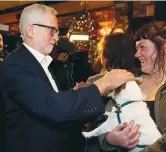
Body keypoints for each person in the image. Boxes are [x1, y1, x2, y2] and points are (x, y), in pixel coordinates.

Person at [0, 4, 136, 152]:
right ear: (31, 30)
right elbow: (52, 106)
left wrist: (74, 94)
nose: (56, 37)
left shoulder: (39, 62)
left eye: (56, 31)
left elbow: (46, 102)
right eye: (52, 30)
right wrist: (103, 85)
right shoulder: (17, 64)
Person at [99, 21, 166, 152]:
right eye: (136, 48)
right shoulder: (128, 81)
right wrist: (108, 139)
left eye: (142, 47)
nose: (136, 54)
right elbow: (102, 119)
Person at [84, 33, 140, 152]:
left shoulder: (96, 81)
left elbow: (85, 116)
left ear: (106, 55)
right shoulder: (139, 80)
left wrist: (78, 94)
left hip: (99, 145)